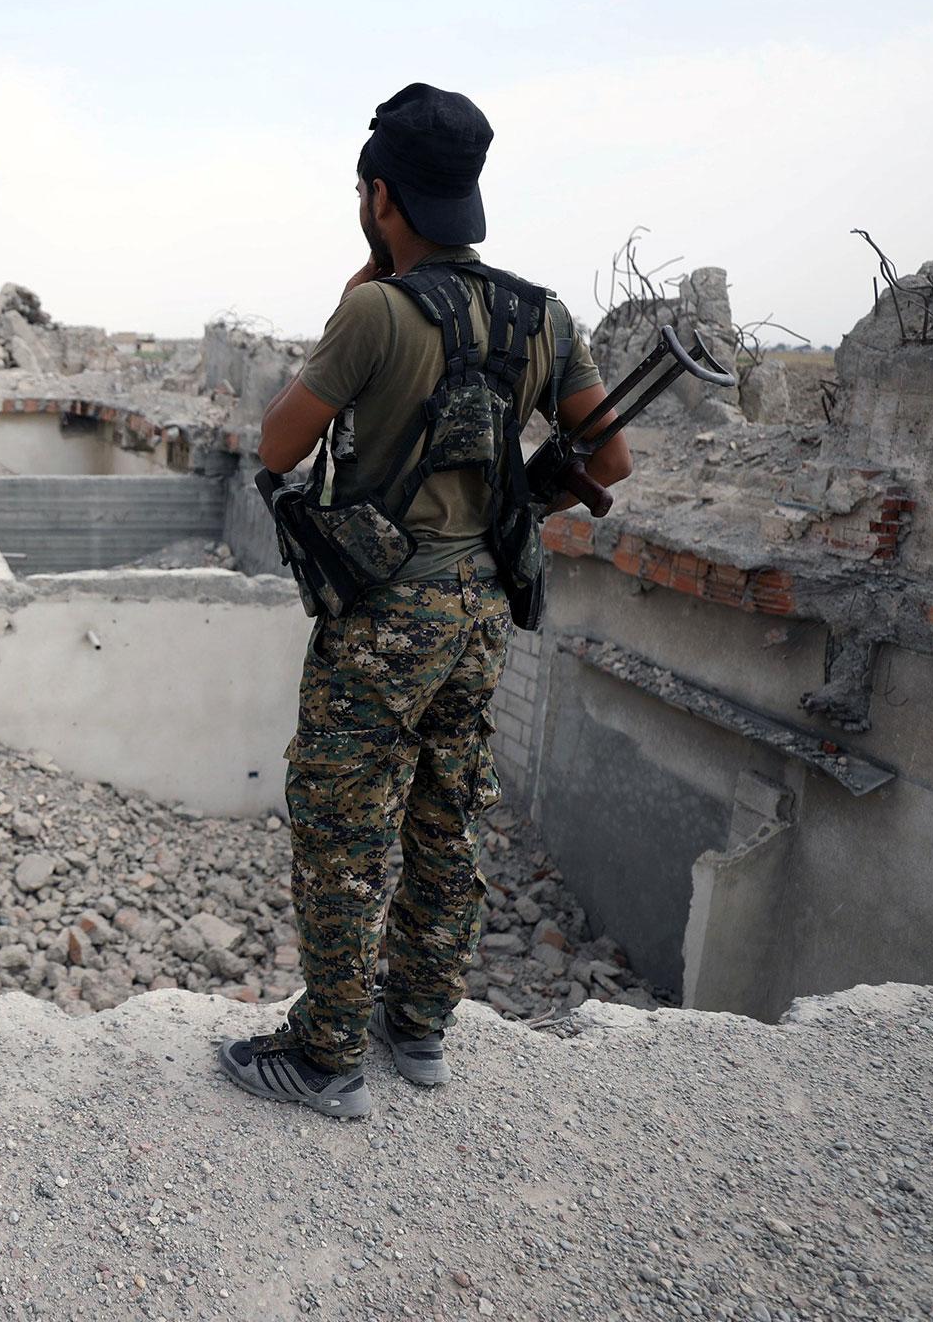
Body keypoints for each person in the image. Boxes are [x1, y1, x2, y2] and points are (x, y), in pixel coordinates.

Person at [218, 83, 633, 1118]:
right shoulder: (540, 314)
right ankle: (416, 1030)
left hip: (380, 622)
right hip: (482, 613)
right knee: (446, 818)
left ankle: (321, 1056)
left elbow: (276, 446)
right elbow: (608, 457)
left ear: (379, 195)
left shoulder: (373, 309)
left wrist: (363, 288)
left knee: (339, 826)